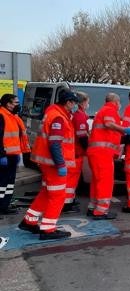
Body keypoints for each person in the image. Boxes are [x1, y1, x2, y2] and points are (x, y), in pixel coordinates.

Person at [19, 90, 79, 240]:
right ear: (68, 102)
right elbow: (55, 143)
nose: (75, 106)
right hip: (53, 163)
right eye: (74, 103)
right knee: (58, 195)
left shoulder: (53, 112)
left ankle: (29, 221)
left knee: (46, 192)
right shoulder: (59, 117)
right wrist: (60, 165)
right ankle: (48, 229)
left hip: (47, 162)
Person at [87, 93, 130, 219]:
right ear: (116, 102)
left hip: (96, 152)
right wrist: (124, 130)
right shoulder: (110, 110)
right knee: (105, 182)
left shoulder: (102, 111)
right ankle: (101, 211)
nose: (120, 106)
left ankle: (93, 207)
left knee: (97, 181)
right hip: (102, 153)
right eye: (119, 103)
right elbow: (109, 124)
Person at [0, 94, 31, 215]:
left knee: (9, 182)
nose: (18, 105)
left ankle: (4, 205)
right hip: (5, 155)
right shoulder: (2, 116)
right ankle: (1, 206)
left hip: (12, 155)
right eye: (16, 102)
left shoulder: (12, 116)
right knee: (2, 182)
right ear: (8, 104)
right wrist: (1, 155)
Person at [63, 91, 90, 213]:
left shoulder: (77, 115)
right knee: (71, 180)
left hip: (74, 151)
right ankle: (67, 204)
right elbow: (82, 136)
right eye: (87, 102)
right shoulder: (79, 116)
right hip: (76, 152)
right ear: (82, 103)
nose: (88, 104)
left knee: (71, 180)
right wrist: (88, 149)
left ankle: (69, 201)